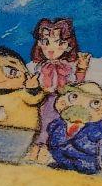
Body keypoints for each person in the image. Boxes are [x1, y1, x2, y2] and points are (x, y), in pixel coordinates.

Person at [27, 17, 90, 162]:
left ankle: (49, 150)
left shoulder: (67, 67)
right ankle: (36, 148)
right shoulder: (39, 67)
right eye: (46, 42)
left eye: (59, 43)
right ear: (39, 44)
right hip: (43, 101)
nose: (51, 48)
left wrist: (81, 69)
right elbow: (35, 83)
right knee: (40, 124)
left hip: (61, 102)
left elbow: (76, 86)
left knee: (55, 126)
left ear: (68, 45)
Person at [47, 82, 102, 174]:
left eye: (95, 103)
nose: (81, 105)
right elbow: (53, 138)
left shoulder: (94, 127)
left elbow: (96, 136)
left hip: (83, 163)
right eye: (74, 97)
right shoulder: (59, 124)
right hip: (60, 161)